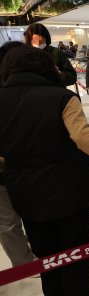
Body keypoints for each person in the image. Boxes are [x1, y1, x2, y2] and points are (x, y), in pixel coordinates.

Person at [0, 46, 89, 296]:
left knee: (47, 259)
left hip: (25, 191)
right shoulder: (62, 97)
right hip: (69, 189)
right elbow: (84, 138)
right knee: (75, 257)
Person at [0, 41, 35, 269]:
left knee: (14, 221)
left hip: (27, 166)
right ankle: (25, 266)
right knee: (9, 222)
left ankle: (29, 264)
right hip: (12, 167)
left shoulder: (31, 87)